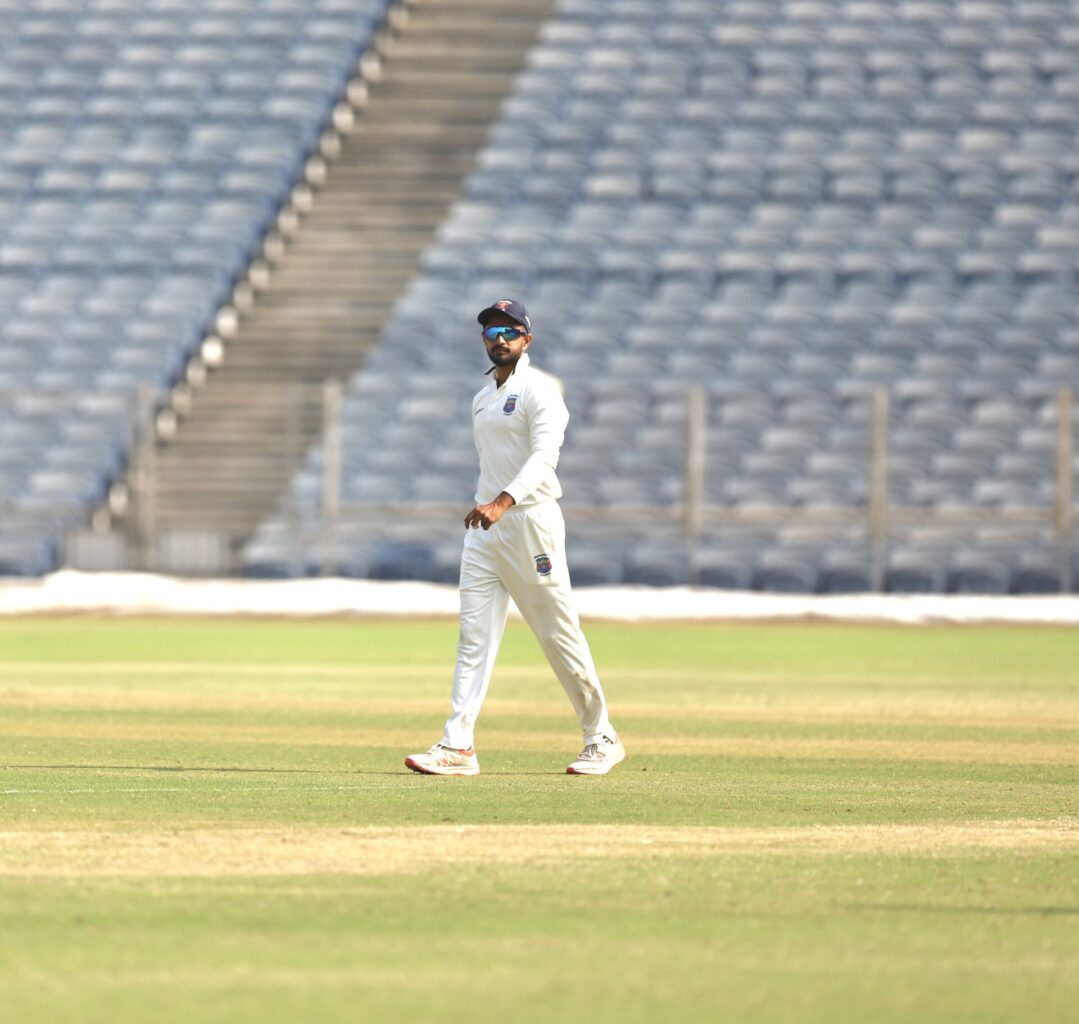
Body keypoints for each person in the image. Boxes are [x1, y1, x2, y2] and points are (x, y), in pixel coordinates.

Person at [405, 299, 625, 777]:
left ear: (527, 339)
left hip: (529, 522)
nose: (499, 338)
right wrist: (490, 508)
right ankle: (457, 746)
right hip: (486, 531)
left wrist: (502, 503)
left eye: (509, 330)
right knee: (473, 640)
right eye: (491, 331)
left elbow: (545, 456)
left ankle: (601, 737)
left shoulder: (540, 391)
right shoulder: (482, 397)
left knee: (557, 634)